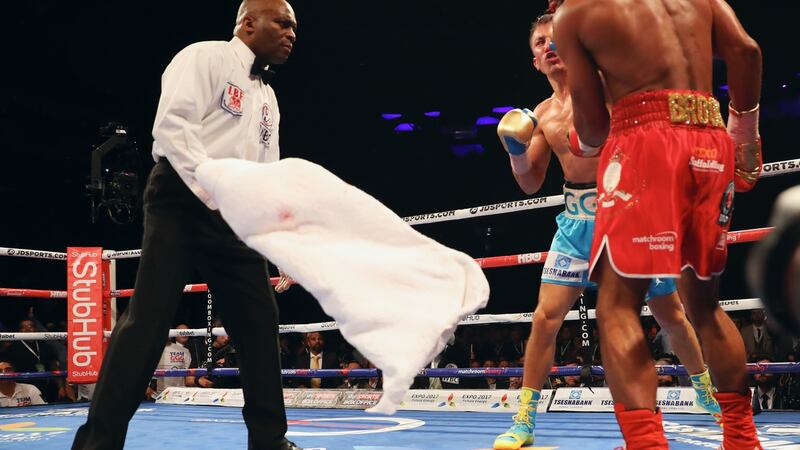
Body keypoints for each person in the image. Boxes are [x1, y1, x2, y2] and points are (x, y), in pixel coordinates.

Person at [71, 1, 301, 449]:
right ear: (249, 22)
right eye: (284, 23)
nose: (293, 33)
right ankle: (97, 444)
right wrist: (216, 190)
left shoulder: (268, 98)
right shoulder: (204, 57)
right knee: (147, 322)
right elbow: (173, 129)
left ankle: (270, 442)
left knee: (258, 321)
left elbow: (265, 173)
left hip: (235, 214)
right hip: (182, 198)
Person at [492, 12, 722, 450]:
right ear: (535, 62)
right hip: (575, 221)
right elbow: (530, 181)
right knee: (544, 319)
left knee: (669, 313)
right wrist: (515, 151)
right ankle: (523, 421)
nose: (548, 47)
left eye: (555, 38)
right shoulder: (541, 114)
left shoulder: (607, 86)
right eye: (539, 44)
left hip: (627, 212)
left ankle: (707, 394)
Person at [552, 0, 762, 448]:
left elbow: (592, 129)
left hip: (643, 142)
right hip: (711, 142)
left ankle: (646, 443)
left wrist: (576, 141)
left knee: (617, 304)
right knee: (705, 305)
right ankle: (743, 441)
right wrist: (744, 134)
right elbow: (746, 52)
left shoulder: (576, 14)